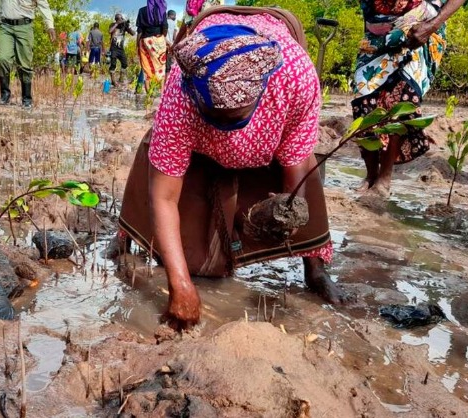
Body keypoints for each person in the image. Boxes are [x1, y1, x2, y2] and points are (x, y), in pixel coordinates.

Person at [117, 7, 345, 329]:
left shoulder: (296, 79)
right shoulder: (179, 95)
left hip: (273, 123)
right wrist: (180, 285)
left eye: (234, 118)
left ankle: (316, 270)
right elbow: (164, 197)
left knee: (306, 177)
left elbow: (295, 160)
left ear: (263, 89)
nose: (225, 130)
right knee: (153, 157)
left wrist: (289, 213)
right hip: (197, 116)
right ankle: (124, 237)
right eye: (215, 117)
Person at [351, 0, 465, 197]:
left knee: (400, 100)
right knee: (364, 102)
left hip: (420, 28)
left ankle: (384, 178)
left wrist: (432, 26)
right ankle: (371, 174)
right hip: (377, 34)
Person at [0, 0, 56, 109]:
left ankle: (26, 99)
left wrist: (50, 26)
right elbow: (0, 9)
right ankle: (5, 95)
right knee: (3, 59)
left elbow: (44, 7)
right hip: (5, 27)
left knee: (24, 64)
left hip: (25, 26)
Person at [136, 0, 169, 86]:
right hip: (159, 40)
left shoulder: (142, 10)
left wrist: (137, 44)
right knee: (161, 66)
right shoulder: (161, 10)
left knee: (146, 67)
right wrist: (162, 38)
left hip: (145, 41)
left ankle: (149, 93)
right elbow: (165, 27)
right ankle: (161, 91)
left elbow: (140, 30)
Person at [109, 13, 136, 87]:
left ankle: (121, 78)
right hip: (113, 48)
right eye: (118, 19)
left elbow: (133, 33)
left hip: (121, 49)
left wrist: (128, 26)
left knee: (125, 64)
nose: (120, 20)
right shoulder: (113, 25)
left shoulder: (124, 26)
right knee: (113, 65)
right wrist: (117, 24)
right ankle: (113, 81)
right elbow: (110, 31)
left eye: (121, 18)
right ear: (116, 19)